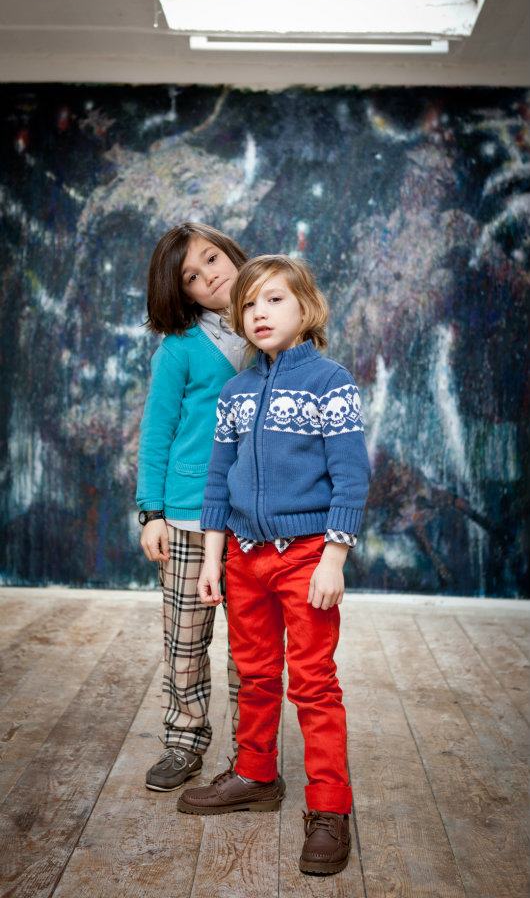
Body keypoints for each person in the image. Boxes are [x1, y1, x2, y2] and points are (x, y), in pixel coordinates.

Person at [177, 254, 371, 876]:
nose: (259, 312)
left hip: (306, 556)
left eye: (275, 299)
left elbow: (351, 477)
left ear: (306, 308)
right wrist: (213, 559)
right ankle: (256, 774)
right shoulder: (235, 393)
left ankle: (330, 807)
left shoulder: (330, 382)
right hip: (243, 556)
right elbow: (217, 480)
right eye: (249, 304)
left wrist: (333, 559)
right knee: (256, 674)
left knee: (313, 682)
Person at [136, 221, 249, 792]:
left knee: (251, 648)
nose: (208, 276)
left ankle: (253, 754)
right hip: (187, 514)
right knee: (185, 641)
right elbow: (157, 429)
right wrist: (151, 511)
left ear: (231, 253)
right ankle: (184, 741)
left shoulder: (271, 327)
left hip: (254, 517)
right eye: (190, 276)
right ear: (180, 293)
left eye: (212, 258)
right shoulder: (179, 349)